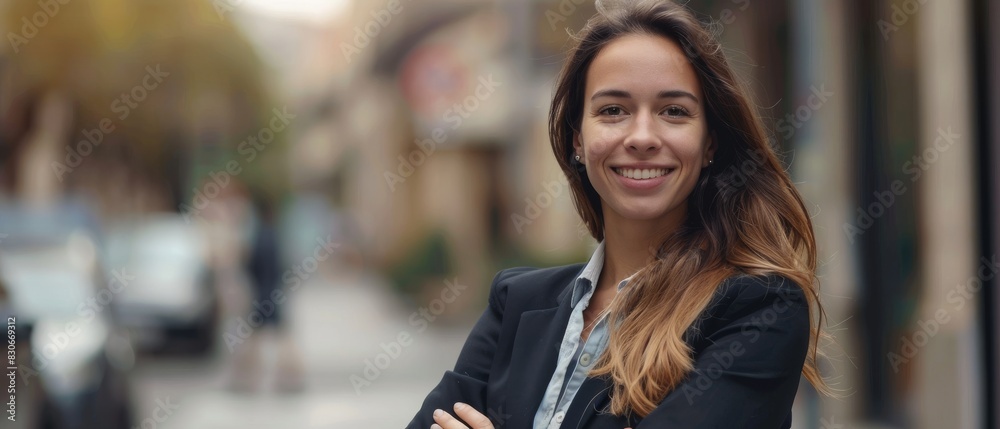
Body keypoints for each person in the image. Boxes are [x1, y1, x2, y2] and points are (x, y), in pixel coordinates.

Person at [407, 1, 827, 427]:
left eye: (673, 111)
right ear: (577, 139)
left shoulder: (757, 308)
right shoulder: (515, 303)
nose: (642, 137)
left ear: (710, 144)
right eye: (613, 110)